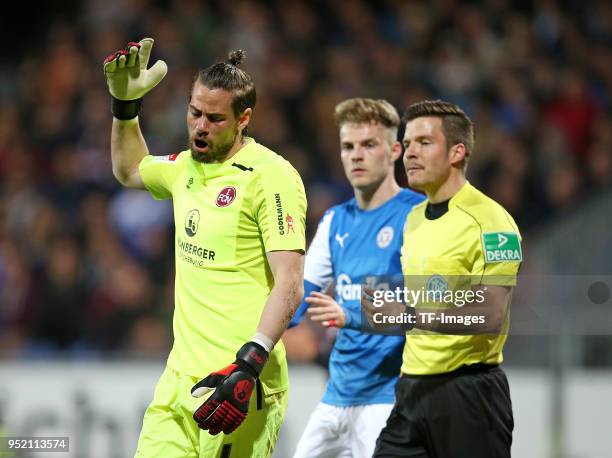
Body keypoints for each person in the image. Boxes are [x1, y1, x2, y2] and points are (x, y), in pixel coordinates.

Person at [103, 38, 306, 458]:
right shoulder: (185, 168)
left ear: (243, 118)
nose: (200, 126)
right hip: (178, 381)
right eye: (195, 113)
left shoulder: (271, 177)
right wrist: (125, 108)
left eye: (215, 118)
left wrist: (251, 362)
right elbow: (129, 169)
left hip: (239, 383)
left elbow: (290, 281)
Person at [370, 100, 522, 458]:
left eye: (424, 142)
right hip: (411, 390)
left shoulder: (492, 222)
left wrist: (407, 315)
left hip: (470, 394)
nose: (410, 153)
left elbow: (489, 313)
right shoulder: (414, 218)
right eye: (407, 145)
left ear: (457, 152)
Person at [289, 98, 424, 458]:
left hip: (389, 397)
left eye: (369, 145)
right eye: (348, 147)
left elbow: (429, 307)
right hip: (336, 396)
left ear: (394, 150)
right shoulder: (335, 221)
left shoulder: (417, 216)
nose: (356, 156)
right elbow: (297, 296)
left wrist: (351, 313)